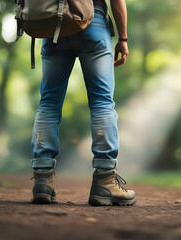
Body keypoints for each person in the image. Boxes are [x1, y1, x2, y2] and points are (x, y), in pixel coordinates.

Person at [30, 0, 136, 206]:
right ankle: (105, 180)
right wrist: (123, 38)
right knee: (102, 103)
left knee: (49, 103)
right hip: (92, 21)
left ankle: (42, 180)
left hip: (54, 27)